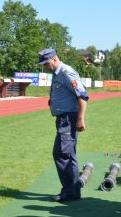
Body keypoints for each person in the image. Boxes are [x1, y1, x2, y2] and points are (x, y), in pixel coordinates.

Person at [38, 48, 89, 202]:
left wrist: (80, 119)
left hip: (69, 119)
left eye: (46, 64)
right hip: (63, 119)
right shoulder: (57, 73)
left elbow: (82, 96)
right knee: (68, 154)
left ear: (55, 58)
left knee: (61, 154)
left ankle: (69, 191)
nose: (45, 67)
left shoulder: (66, 72)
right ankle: (73, 191)